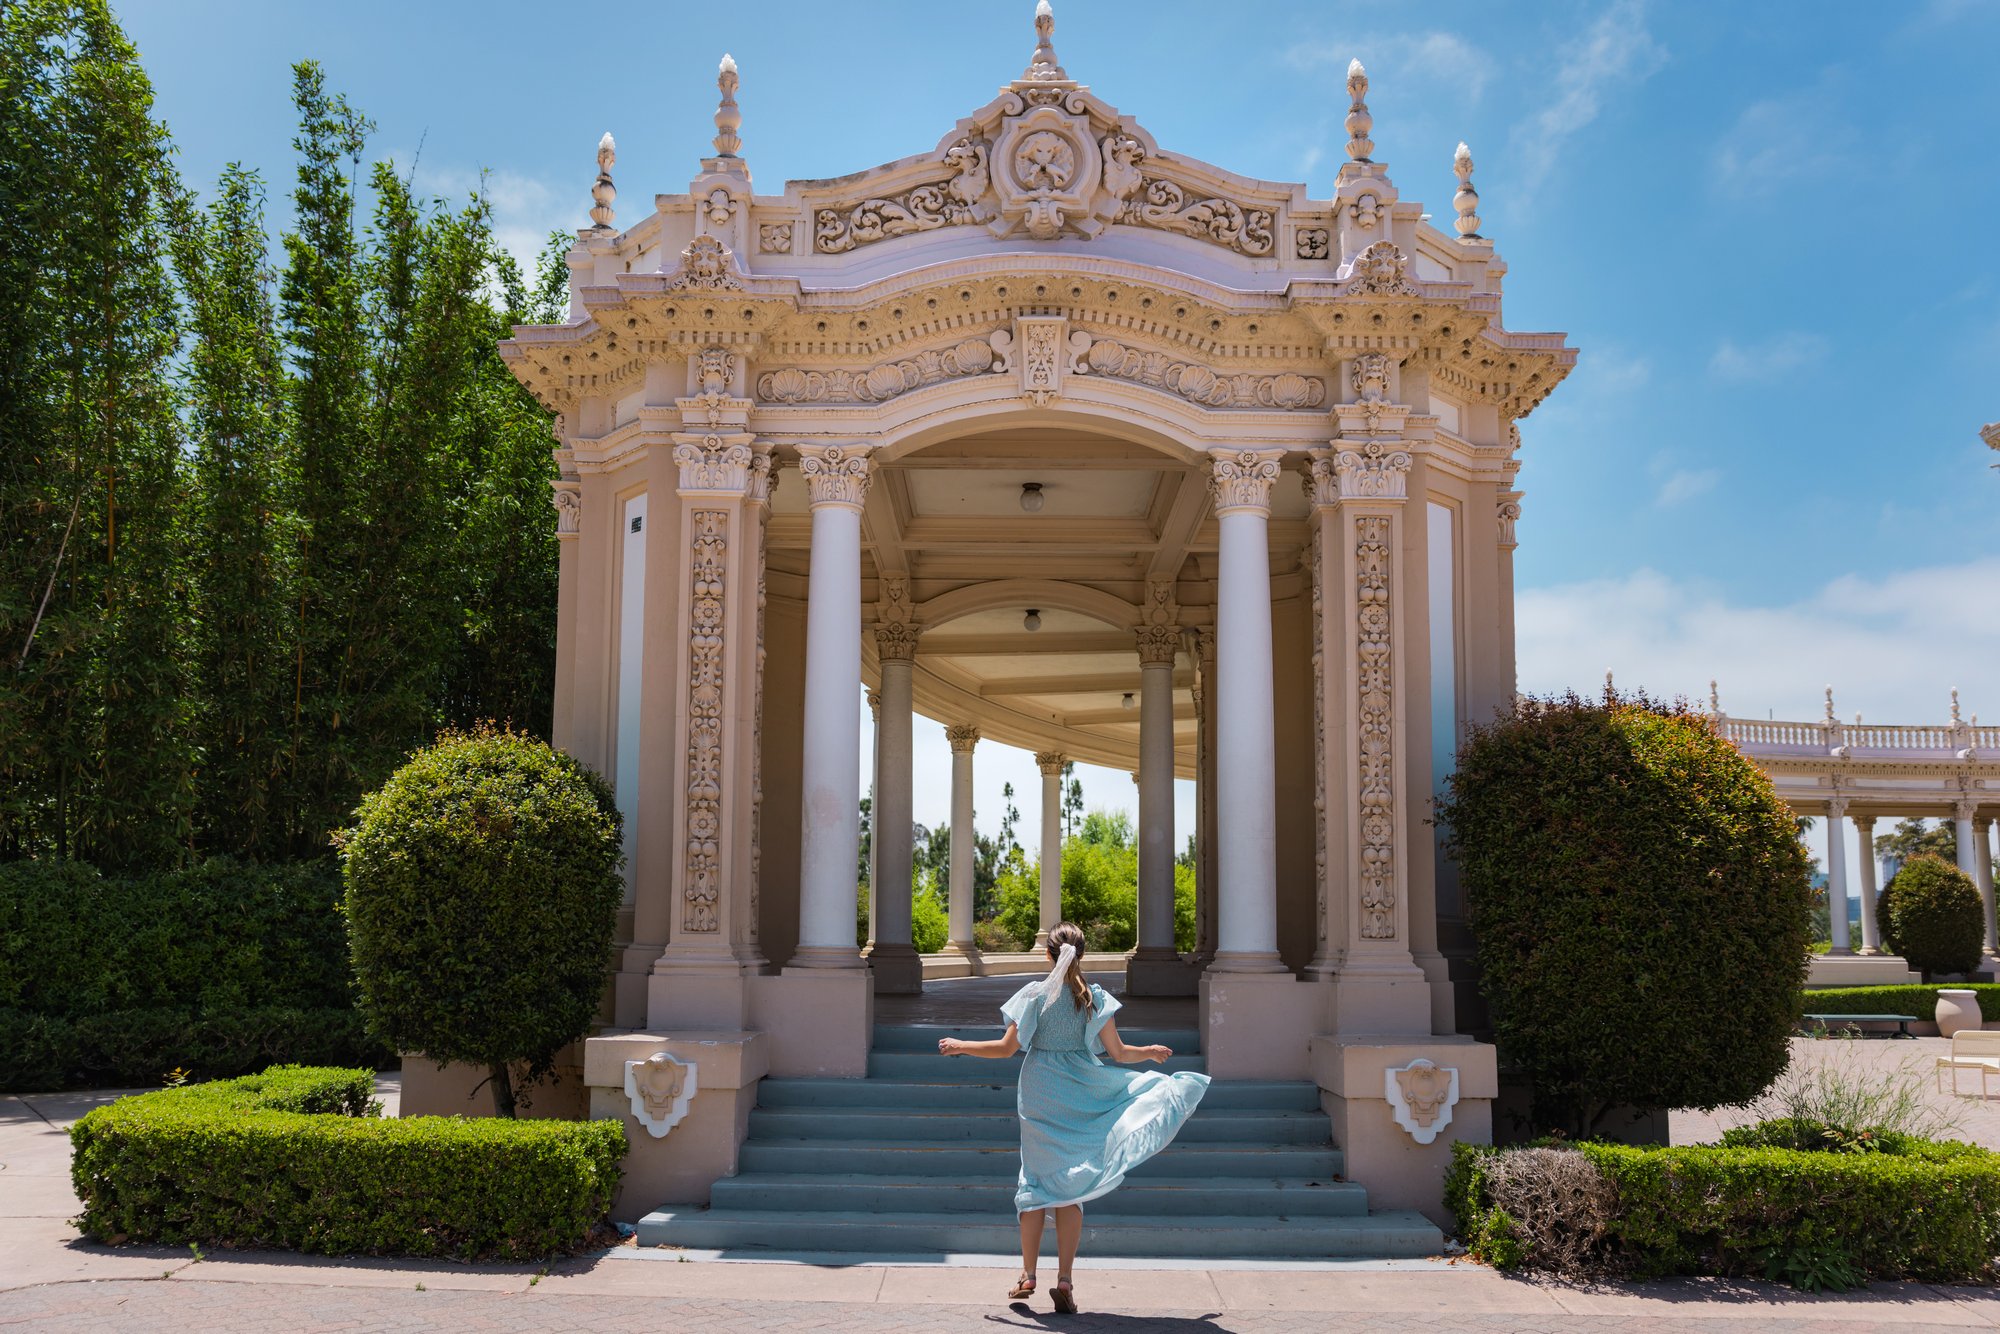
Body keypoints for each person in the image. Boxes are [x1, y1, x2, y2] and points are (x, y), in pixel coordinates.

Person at [937, 921, 1210, 1314]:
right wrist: (1148, 1051)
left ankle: (1028, 1275)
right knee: (1071, 1186)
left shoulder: (1034, 995)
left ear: (1049, 954)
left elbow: (1004, 1048)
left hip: (1039, 1092)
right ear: (1082, 954)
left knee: (1035, 1183)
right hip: (1080, 1089)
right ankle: (1065, 1280)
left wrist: (961, 1045)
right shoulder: (1093, 997)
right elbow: (1117, 1054)